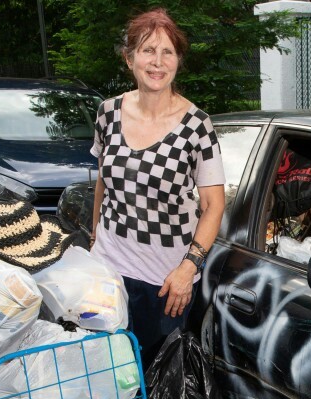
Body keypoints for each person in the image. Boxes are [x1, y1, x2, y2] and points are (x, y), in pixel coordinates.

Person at [89, 7, 225, 362]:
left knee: (157, 384)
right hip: (109, 271)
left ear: (178, 60)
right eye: (148, 50)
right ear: (129, 57)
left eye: (167, 52)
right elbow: (104, 179)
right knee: (105, 373)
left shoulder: (198, 126)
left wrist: (189, 267)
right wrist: (94, 238)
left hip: (166, 280)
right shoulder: (108, 113)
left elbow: (214, 206)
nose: (157, 62)